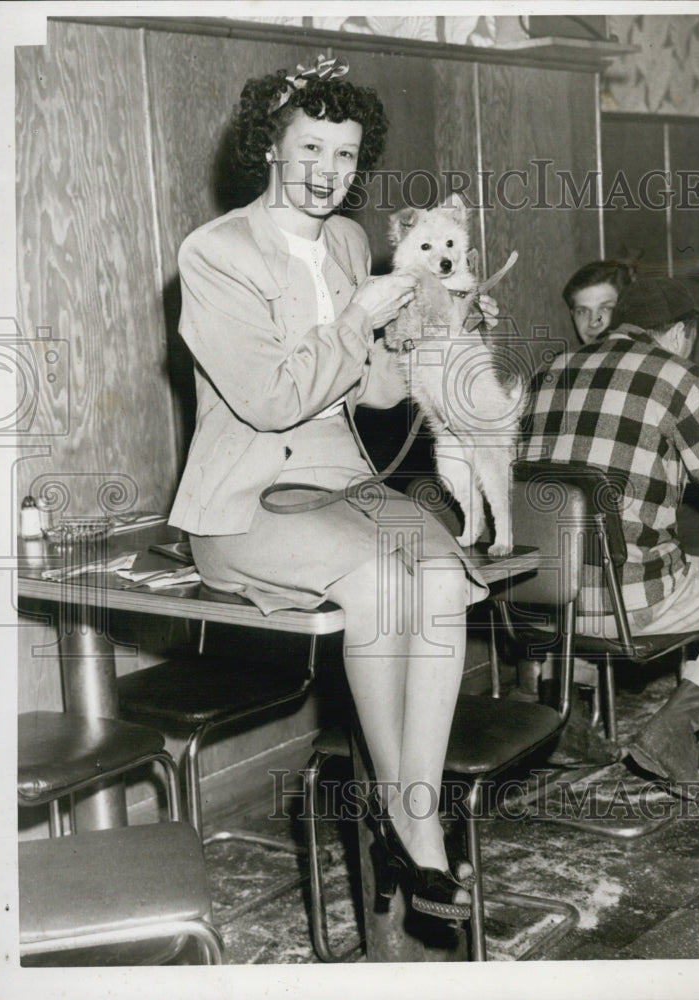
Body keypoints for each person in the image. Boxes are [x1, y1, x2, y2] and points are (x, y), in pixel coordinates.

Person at [168, 56, 489, 919]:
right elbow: (272, 399)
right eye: (311, 148)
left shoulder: (348, 240)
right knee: (383, 576)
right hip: (245, 498)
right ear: (269, 147)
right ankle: (410, 825)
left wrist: (432, 330)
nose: (327, 173)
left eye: (346, 157)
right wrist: (354, 320)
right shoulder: (216, 253)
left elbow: (374, 395)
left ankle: (408, 816)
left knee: (443, 577)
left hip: (342, 485)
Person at [521, 277, 699, 795]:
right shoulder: (678, 375)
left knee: (595, 560)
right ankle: (676, 726)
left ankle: (561, 721)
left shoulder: (549, 371)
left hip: (538, 599)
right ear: (679, 333)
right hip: (627, 606)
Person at [562, 259, 634, 345]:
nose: (593, 323)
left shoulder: (648, 355)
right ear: (572, 315)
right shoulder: (564, 358)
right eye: (582, 311)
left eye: (606, 309)